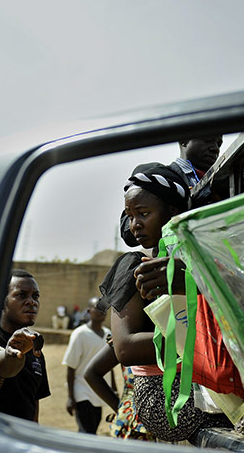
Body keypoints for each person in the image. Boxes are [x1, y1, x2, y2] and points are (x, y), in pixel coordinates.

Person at [99, 163, 230, 444]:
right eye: (130, 215)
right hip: (163, 397)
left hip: (197, 387)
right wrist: (211, 340)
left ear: (172, 212)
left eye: (143, 214)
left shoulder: (194, 262)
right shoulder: (133, 266)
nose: (135, 224)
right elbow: (125, 348)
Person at [120, 135, 223, 249]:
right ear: (184, 140)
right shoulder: (156, 176)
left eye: (219, 144)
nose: (215, 148)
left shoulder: (222, 180)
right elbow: (127, 232)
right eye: (208, 140)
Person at [0, 269, 50, 422]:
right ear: (1, 302)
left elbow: (34, 402)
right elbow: (3, 366)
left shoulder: (35, 349)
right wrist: (11, 356)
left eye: (35, 296)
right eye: (21, 295)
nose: (32, 301)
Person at [62, 297, 115, 434]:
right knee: (87, 432)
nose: (101, 311)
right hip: (82, 391)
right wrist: (70, 397)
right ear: (88, 311)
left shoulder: (109, 334)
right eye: (97, 308)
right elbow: (70, 367)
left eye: (104, 309)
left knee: (93, 429)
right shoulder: (79, 334)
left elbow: (109, 365)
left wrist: (113, 388)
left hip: (100, 391)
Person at [84, 339, 155, 441]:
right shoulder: (124, 340)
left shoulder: (125, 339)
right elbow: (91, 373)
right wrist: (121, 408)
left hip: (133, 424)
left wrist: (123, 409)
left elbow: (91, 373)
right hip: (136, 429)